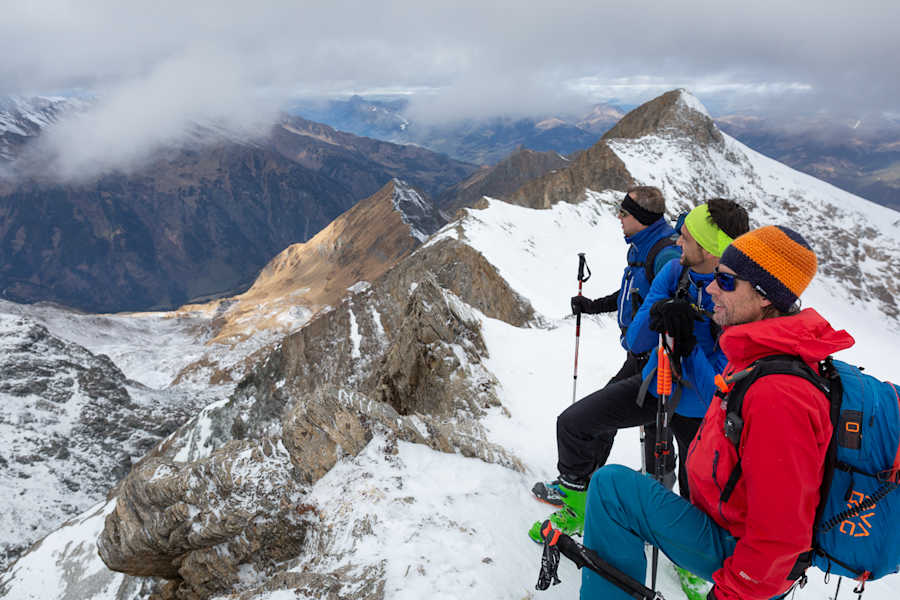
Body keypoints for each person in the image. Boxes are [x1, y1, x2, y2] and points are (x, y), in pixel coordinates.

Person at [578, 225, 855, 600]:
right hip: (728, 524)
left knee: (612, 491)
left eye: (725, 282)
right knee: (613, 486)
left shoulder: (779, 394)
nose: (710, 288)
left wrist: (730, 594)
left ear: (764, 297)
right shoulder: (754, 352)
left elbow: (780, 536)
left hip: (744, 554)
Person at [528, 199, 749, 544]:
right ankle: (579, 503)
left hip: (700, 413)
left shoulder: (737, 302)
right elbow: (636, 339)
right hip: (655, 384)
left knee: (698, 494)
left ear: (707, 248)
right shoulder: (677, 272)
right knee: (573, 423)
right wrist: (660, 310)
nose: (678, 242)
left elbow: (716, 396)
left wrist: (689, 343)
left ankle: (695, 561)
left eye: (687, 238)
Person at [532, 186, 680, 505]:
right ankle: (608, 485)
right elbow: (632, 295)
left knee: (593, 421)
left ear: (640, 218)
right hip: (642, 358)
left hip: (658, 362)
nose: (619, 217)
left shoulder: (663, 253)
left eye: (624, 213)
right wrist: (592, 306)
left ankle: (582, 487)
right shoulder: (644, 248)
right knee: (643, 425)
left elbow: (664, 307)